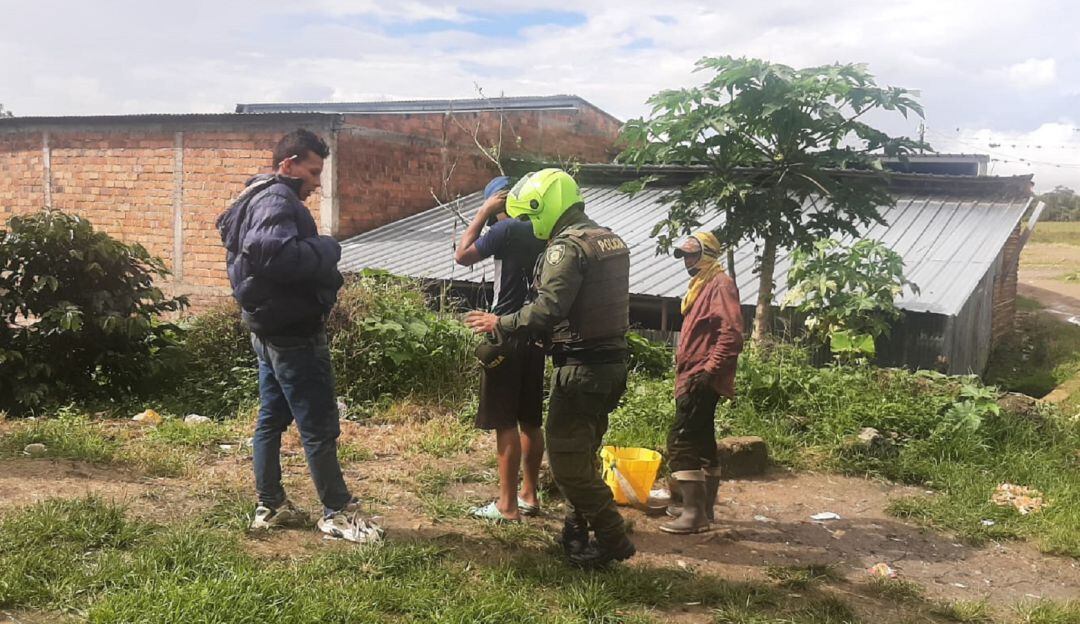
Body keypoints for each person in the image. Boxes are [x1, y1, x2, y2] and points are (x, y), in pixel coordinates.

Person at [216, 128, 383, 543]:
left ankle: (270, 503)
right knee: (319, 424)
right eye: (312, 172)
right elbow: (275, 254)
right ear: (288, 165)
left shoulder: (255, 195)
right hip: (293, 334)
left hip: (269, 330)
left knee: (271, 418)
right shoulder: (276, 198)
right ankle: (337, 512)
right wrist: (329, 248)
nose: (317, 183)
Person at [465, 168, 634, 568]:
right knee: (584, 451)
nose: (530, 224)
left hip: (581, 368)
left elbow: (548, 309)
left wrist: (499, 323)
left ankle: (612, 537)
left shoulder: (566, 248)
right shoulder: (608, 238)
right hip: (611, 364)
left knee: (566, 463)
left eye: (531, 214)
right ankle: (577, 529)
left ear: (545, 206)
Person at [454, 176, 547, 522]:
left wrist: (482, 212)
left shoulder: (505, 230)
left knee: (505, 420)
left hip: (504, 332)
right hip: (535, 331)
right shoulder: (542, 231)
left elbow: (462, 255)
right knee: (531, 420)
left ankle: (506, 506)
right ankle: (529, 495)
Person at [661, 231, 744, 535]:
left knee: (681, 440)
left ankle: (694, 514)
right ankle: (703, 508)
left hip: (701, 375)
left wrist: (708, 371)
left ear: (707, 253)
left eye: (691, 254)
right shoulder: (703, 284)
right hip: (696, 372)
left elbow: (731, 334)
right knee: (702, 439)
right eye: (683, 255)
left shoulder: (719, 284)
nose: (686, 261)